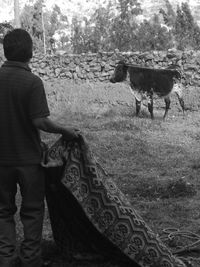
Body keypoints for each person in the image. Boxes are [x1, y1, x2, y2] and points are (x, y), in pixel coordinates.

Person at [0, 28, 80, 267]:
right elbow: (40, 121)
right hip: (28, 161)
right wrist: (65, 130)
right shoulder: (32, 82)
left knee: (3, 211)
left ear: (5, 52)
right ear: (31, 53)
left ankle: (5, 258)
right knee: (33, 210)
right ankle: (30, 259)